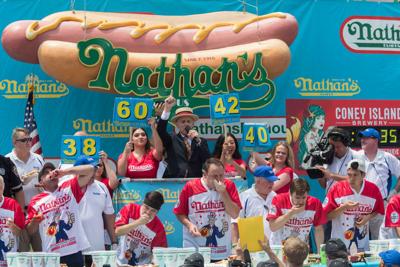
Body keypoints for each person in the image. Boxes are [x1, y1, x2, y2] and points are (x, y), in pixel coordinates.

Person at [26, 162, 95, 267]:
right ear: (41, 181)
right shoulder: (35, 201)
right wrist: (34, 221)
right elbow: (30, 230)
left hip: (74, 250)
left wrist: (64, 172)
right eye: (46, 173)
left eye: (52, 171)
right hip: (52, 254)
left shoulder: (68, 187)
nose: (51, 173)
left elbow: (90, 170)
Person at [173, 158, 241, 261]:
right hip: (194, 248)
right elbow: (179, 212)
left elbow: (234, 214)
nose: (219, 180)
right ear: (204, 174)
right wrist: (189, 224)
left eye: (221, 175)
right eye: (214, 176)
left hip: (221, 251)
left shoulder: (229, 186)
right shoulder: (190, 187)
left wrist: (223, 192)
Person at [323, 159, 384, 251]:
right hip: (339, 246)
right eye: (349, 175)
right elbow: (326, 216)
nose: (351, 178)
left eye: (355, 175)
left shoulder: (373, 190)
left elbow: (378, 210)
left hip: (363, 246)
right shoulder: (336, 189)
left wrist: (367, 217)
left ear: (363, 175)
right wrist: (344, 207)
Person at [355, 128, 400, 240]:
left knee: (380, 241)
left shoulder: (387, 157)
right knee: (357, 241)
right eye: (362, 137)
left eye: (366, 137)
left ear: (375, 140)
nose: (362, 140)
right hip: (359, 206)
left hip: (380, 206)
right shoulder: (356, 155)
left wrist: (394, 191)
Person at [6, 127, 44, 251]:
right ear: (14, 142)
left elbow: (45, 180)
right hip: (18, 214)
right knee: (22, 255)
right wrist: (18, 184)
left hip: (37, 213)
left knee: (41, 252)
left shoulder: (38, 158)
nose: (29, 142)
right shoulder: (7, 160)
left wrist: (43, 186)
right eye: (24, 140)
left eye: (30, 139)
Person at [74, 155, 116, 267]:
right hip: (73, 250)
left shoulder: (102, 187)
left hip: (97, 250)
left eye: (95, 168)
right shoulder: (66, 187)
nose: (95, 171)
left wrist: (114, 241)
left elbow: (109, 216)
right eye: (91, 169)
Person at [316, 127, 356, 242]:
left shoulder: (355, 156)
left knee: (350, 240)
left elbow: (357, 180)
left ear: (346, 144)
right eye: (332, 146)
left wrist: (331, 175)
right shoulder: (327, 157)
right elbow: (324, 185)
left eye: (337, 147)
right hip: (331, 204)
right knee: (327, 238)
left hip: (350, 203)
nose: (334, 149)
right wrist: (320, 174)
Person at [157, 95, 210, 178]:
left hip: (194, 181)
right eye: (183, 121)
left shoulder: (201, 141)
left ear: (193, 124)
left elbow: (207, 159)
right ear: (177, 124)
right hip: (174, 182)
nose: (186, 124)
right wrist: (167, 110)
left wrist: (198, 141)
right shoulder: (171, 138)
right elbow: (160, 130)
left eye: (189, 121)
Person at [267, 179, 325, 252]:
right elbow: (273, 227)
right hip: (279, 249)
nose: (300, 201)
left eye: (304, 197)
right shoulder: (278, 200)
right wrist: (291, 213)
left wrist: (320, 252)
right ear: (290, 194)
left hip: (301, 250)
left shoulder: (315, 203)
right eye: (297, 198)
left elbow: (318, 229)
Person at [115, 191, 167, 266]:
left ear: (157, 212)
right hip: (120, 263)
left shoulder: (159, 227)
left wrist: (151, 264)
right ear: (142, 203)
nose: (148, 212)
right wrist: (138, 222)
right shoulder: (130, 209)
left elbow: (159, 253)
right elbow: (117, 231)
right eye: (146, 207)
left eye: (153, 211)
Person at [231, 165, 277, 248]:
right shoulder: (244, 197)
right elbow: (235, 223)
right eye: (269, 181)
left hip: (273, 247)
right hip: (251, 248)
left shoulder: (275, 197)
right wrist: (234, 246)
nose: (272, 184)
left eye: (273, 181)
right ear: (258, 180)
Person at [0, 175, 24, 265]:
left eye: (0, 187)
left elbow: (20, 232)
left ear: (3, 187)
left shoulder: (12, 204)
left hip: (10, 261)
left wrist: (13, 227)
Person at [298, 105, 326, 169]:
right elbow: (311, 152)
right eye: (318, 118)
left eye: (323, 118)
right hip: (309, 165)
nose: (322, 121)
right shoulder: (308, 135)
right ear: (311, 119)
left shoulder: (321, 134)